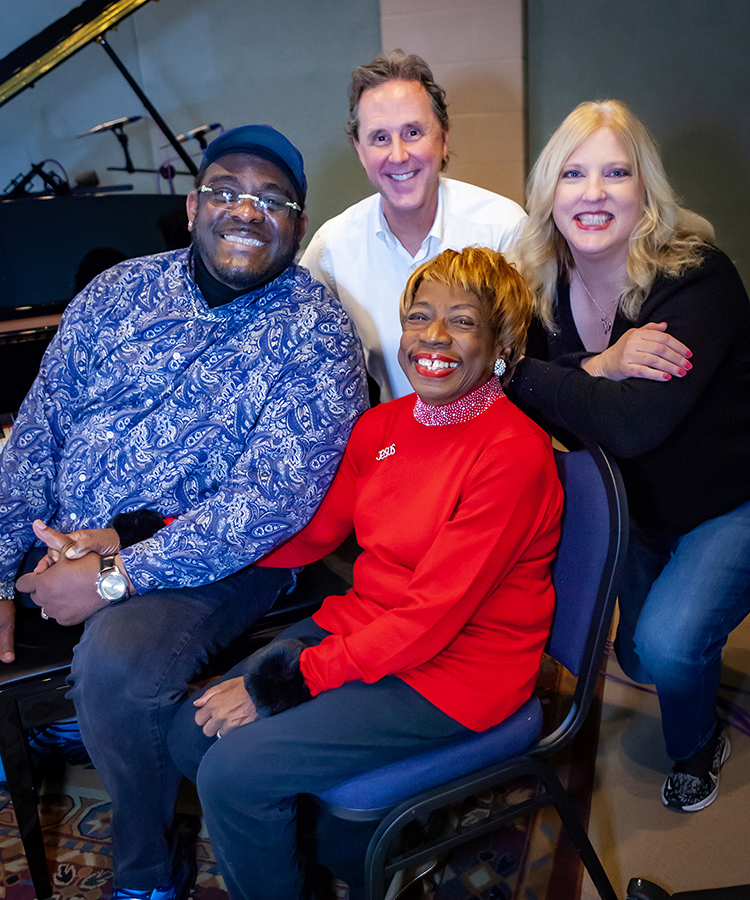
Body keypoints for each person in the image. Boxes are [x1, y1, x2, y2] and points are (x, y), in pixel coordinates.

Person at [1, 125, 368, 898]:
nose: (247, 211)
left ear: (298, 225)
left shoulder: (316, 330)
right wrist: (4, 567)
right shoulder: (116, 293)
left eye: (273, 201)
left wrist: (111, 574)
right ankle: (61, 729)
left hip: (219, 561)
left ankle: (146, 873)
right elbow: (38, 427)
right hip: (69, 537)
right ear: (196, 204)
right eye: (229, 192)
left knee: (116, 666)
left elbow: (272, 499)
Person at [139, 246, 563, 900]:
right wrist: (175, 538)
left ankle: (340, 860)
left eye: (462, 321)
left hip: (456, 673)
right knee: (189, 733)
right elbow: (311, 536)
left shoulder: (513, 454)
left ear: (502, 344)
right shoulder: (382, 426)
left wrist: (285, 682)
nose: (434, 337)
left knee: (233, 774)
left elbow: (428, 622)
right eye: (419, 317)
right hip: (369, 630)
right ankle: (358, 854)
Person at [506, 100, 750, 812]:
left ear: (645, 189)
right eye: (574, 174)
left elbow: (633, 423)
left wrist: (528, 372)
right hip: (636, 507)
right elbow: (525, 399)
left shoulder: (698, 277)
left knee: (670, 647)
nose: (594, 192)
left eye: (617, 172)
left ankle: (699, 745)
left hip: (726, 499)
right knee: (639, 655)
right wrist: (602, 362)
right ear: (550, 190)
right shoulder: (539, 280)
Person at [301, 50, 526, 402]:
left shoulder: (503, 229)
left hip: (494, 436)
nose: (398, 155)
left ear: (444, 139)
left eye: (412, 132)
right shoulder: (332, 248)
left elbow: (527, 359)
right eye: (379, 138)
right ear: (359, 150)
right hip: (396, 441)